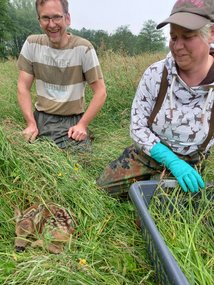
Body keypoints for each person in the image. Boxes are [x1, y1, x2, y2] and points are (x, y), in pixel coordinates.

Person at [97, 0, 214, 196]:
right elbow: (137, 126)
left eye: (187, 36)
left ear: (211, 33)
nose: (177, 46)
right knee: (100, 191)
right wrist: (170, 160)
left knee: (167, 212)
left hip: (192, 161)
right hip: (148, 154)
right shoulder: (156, 74)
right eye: (173, 37)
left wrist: (182, 164)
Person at [17, 0, 107, 151]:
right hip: (41, 118)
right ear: (39, 21)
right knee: (26, 160)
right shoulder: (31, 44)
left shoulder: (83, 48)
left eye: (57, 17)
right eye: (45, 18)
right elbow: (22, 86)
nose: (51, 24)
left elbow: (101, 92)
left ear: (67, 18)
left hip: (72, 121)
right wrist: (31, 123)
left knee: (80, 165)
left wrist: (82, 125)